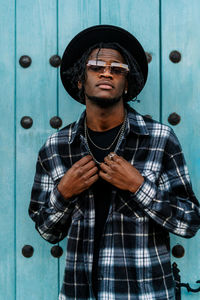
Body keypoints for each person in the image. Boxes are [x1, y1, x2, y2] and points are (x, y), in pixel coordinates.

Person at [29, 25, 200, 300]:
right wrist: (63, 193)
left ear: (127, 82)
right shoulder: (55, 148)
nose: (106, 72)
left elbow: (189, 222)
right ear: (79, 80)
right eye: (96, 66)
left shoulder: (160, 140)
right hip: (79, 293)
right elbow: (47, 231)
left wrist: (138, 186)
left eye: (117, 68)